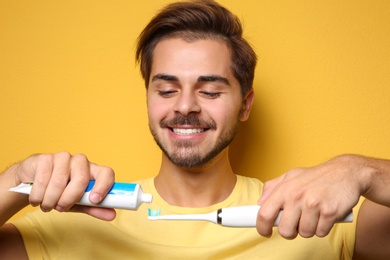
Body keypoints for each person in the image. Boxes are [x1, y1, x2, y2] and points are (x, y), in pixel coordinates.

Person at [1, 0, 390, 259]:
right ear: (149, 98)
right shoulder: (71, 223)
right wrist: (16, 179)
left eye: (209, 90)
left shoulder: (319, 221)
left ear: (245, 105)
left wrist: (360, 170)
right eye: (167, 89)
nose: (185, 106)